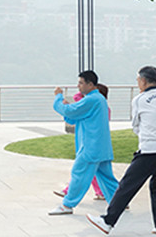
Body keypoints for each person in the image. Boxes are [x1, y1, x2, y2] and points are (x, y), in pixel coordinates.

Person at [87, 65, 156, 235]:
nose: (138, 82)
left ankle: (108, 221)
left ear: (143, 81)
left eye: (138, 79)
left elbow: (136, 125)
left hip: (149, 150)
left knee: (127, 186)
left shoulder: (139, 99)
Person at [48, 71, 117, 216]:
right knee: (107, 178)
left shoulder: (92, 100)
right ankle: (119, 202)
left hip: (90, 147)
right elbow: (74, 116)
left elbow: (68, 111)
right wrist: (68, 109)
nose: (78, 86)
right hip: (101, 147)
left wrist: (58, 97)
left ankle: (67, 205)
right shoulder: (99, 99)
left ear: (90, 84)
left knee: (79, 175)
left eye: (81, 83)